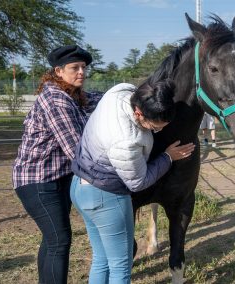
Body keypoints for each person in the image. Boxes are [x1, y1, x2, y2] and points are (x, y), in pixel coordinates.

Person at [70, 77, 195, 283]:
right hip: (105, 197)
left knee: (101, 260)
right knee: (121, 266)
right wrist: (167, 157)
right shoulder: (127, 140)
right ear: (138, 113)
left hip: (80, 187)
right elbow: (137, 182)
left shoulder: (119, 92)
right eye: (154, 127)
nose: (158, 131)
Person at [12, 44, 99, 284]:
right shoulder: (56, 100)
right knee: (59, 241)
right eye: (75, 67)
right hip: (38, 181)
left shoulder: (74, 95)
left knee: (53, 240)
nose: (81, 72)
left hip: (58, 179)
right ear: (58, 71)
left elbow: (100, 99)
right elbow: (77, 151)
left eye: (83, 67)